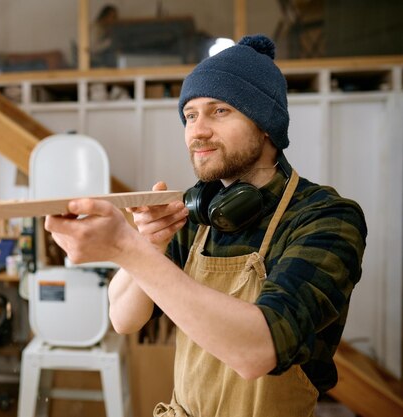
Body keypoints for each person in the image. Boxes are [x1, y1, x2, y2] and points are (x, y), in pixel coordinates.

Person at [44, 34, 367, 417]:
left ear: (266, 124)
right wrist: (148, 245)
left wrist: (124, 247)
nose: (197, 131)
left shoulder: (325, 218)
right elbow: (124, 318)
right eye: (191, 115)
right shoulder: (199, 213)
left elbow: (258, 349)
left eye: (220, 111)